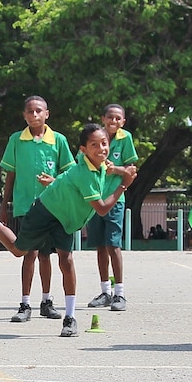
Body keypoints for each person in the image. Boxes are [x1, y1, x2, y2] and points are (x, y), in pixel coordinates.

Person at [0, 124, 137, 337]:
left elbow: (114, 168)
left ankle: (70, 317)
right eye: (94, 145)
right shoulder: (85, 172)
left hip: (65, 219)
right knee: (19, 250)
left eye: (104, 143)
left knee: (66, 260)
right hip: (45, 212)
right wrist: (124, 185)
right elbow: (102, 209)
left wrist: (123, 171)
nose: (101, 148)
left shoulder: (101, 165)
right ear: (83, 150)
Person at [0, 96, 75, 323]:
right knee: (28, 252)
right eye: (30, 112)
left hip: (52, 206)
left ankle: (46, 300)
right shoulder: (16, 140)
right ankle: (24, 303)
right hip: (25, 205)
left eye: (38, 111)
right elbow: (10, 175)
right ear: (24, 115)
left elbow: (70, 174)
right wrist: (4, 206)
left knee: (45, 255)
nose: (34, 115)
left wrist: (54, 180)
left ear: (47, 114)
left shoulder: (58, 140)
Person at [85, 104, 138, 312]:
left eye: (118, 119)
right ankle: (105, 291)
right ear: (103, 119)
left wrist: (115, 169)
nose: (113, 122)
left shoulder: (126, 139)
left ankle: (119, 293)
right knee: (99, 245)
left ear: (123, 122)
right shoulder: (96, 138)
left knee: (113, 245)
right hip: (95, 198)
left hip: (115, 199)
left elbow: (132, 170)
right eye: (110, 118)